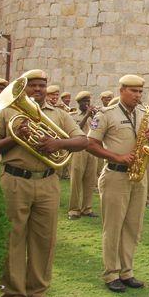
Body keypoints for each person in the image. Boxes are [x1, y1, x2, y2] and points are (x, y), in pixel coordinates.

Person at [0, 69, 88, 297]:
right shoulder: (6, 111)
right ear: (22, 88)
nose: (38, 89)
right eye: (32, 85)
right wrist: (14, 137)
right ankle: (13, 294)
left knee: (45, 240)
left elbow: (82, 140)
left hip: (47, 182)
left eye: (42, 85)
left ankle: (37, 293)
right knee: (12, 239)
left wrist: (57, 143)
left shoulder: (60, 114)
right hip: (14, 181)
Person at [87, 74, 149, 292]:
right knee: (113, 227)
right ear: (121, 91)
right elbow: (90, 144)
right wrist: (116, 157)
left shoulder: (144, 114)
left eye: (140, 92)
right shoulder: (106, 114)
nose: (138, 96)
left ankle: (127, 271)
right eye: (133, 91)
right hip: (115, 175)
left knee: (132, 226)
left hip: (139, 177)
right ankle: (111, 273)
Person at [68, 91, 99, 220]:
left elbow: (98, 130)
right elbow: (76, 131)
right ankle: (74, 209)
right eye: (84, 102)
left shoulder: (94, 116)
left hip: (91, 150)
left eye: (88, 101)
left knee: (90, 180)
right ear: (79, 103)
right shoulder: (73, 116)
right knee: (76, 180)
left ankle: (87, 208)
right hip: (78, 151)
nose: (87, 104)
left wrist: (95, 116)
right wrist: (86, 116)